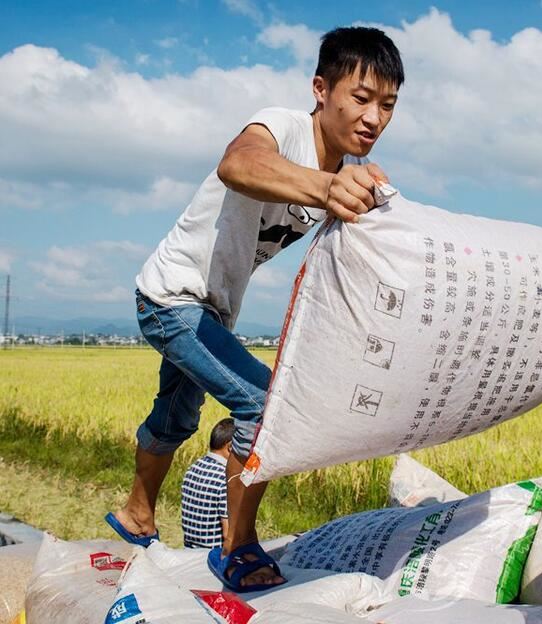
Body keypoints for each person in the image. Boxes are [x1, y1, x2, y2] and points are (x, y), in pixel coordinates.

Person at [105, 26, 404, 592]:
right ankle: (237, 546)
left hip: (211, 312)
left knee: (176, 417)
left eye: (387, 105)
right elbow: (237, 165)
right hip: (173, 297)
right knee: (264, 408)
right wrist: (324, 188)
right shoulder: (283, 127)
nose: (374, 117)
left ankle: (135, 515)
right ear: (322, 89)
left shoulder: (342, 173)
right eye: (361, 98)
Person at [181, 418, 234, 549]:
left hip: (190, 551)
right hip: (213, 556)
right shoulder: (225, 479)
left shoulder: (193, 468)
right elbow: (229, 535)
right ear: (231, 447)